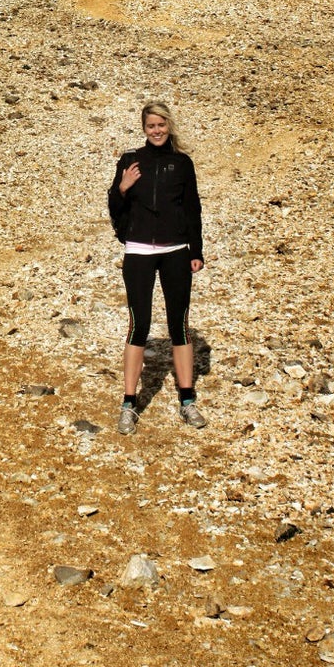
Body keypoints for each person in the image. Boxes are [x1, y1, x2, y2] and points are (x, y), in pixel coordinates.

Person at [108, 101, 206, 432]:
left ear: (169, 126)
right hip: (138, 251)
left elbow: (193, 209)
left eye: (161, 125)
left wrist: (197, 250)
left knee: (179, 323)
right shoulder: (130, 161)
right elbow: (114, 204)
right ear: (144, 128)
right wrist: (122, 188)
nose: (157, 130)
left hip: (177, 250)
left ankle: (188, 400)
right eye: (151, 126)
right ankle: (129, 403)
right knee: (140, 324)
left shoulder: (182, 164)